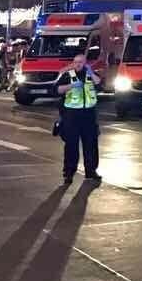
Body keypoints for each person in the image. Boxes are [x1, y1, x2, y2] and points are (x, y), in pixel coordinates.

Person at [55, 51, 101, 184]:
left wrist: (91, 73)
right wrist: (71, 86)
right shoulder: (67, 75)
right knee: (71, 146)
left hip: (89, 115)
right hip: (72, 116)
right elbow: (56, 90)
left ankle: (91, 171)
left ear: (85, 63)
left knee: (91, 145)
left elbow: (99, 84)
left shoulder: (90, 75)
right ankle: (68, 173)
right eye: (76, 62)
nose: (78, 64)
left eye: (81, 62)